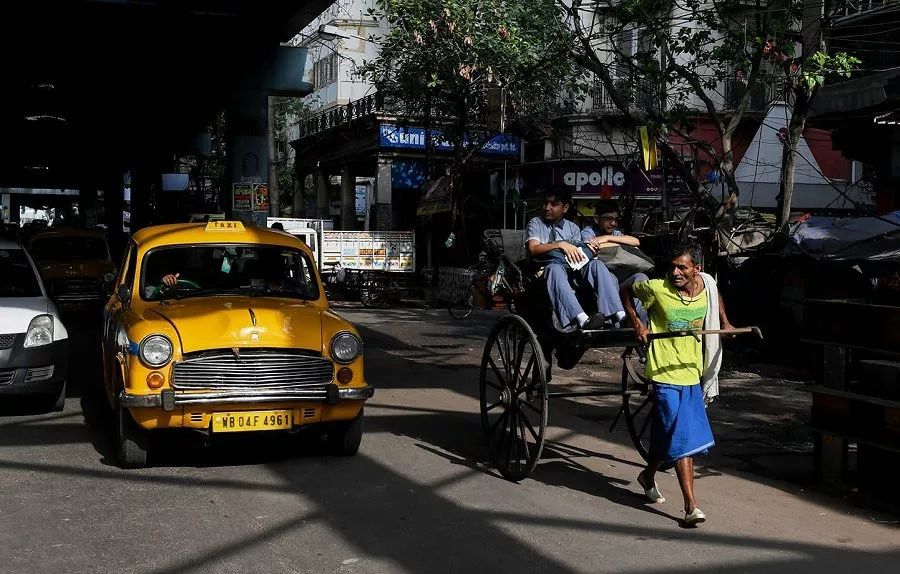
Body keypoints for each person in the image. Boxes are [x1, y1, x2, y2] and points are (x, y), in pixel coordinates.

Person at [620, 243, 735, 527]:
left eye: (682, 267)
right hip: (663, 373)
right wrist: (638, 323)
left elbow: (716, 295)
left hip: (691, 373)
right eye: (673, 266)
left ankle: (647, 475)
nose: (675, 272)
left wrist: (726, 322)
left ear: (698, 269)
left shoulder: (706, 287)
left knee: (668, 434)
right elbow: (626, 290)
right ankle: (691, 506)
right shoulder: (658, 288)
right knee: (682, 436)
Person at [525, 186, 624, 330]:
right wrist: (560, 244)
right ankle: (582, 319)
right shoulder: (536, 223)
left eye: (554, 204)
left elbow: (579, 253)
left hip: (573, 270)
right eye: (545, 203)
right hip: (545, 273)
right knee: (554, 268)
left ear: (565, 208)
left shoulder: (573, 228)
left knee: (597, 265)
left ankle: (619, 316)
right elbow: (533, 248)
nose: (547, 208)